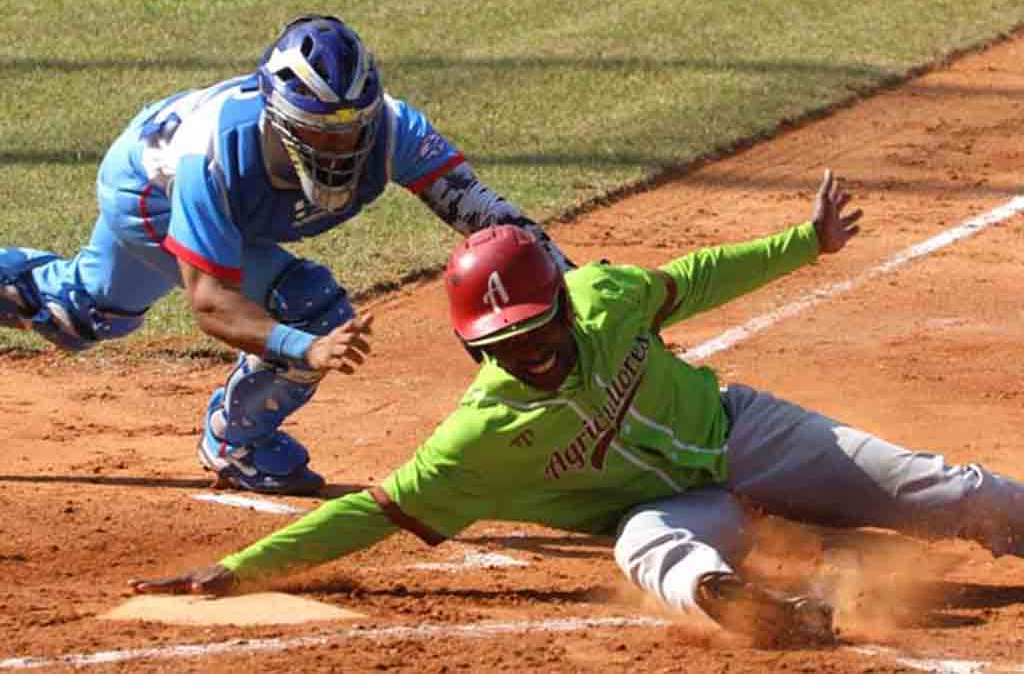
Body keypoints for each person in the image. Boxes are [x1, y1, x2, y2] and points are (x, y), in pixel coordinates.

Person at [130, 171, 1024, 646]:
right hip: (679, 507)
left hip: (741, 430)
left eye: (540, 326)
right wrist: (241, 567)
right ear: (476, 349)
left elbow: (700, 276)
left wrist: (808, 242)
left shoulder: (602, 297)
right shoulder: (477, 440)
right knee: (648, 548)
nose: (535, 348)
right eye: (508, 343)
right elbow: (374, 512)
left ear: (562, 301)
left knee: (937, 489)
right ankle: (747, 608)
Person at [0, 14, 571, 496]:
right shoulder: (215, 158)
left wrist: (576, 286)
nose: (339, 146)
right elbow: (210, 301)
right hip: (149, 193)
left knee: (77, 314)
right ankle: (235, 443)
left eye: (352, 130)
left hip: (200, 184)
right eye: (318, 132)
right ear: (278, 118)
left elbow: (485, 215)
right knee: (310, 307)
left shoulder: (395, 129)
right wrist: (307, 347)